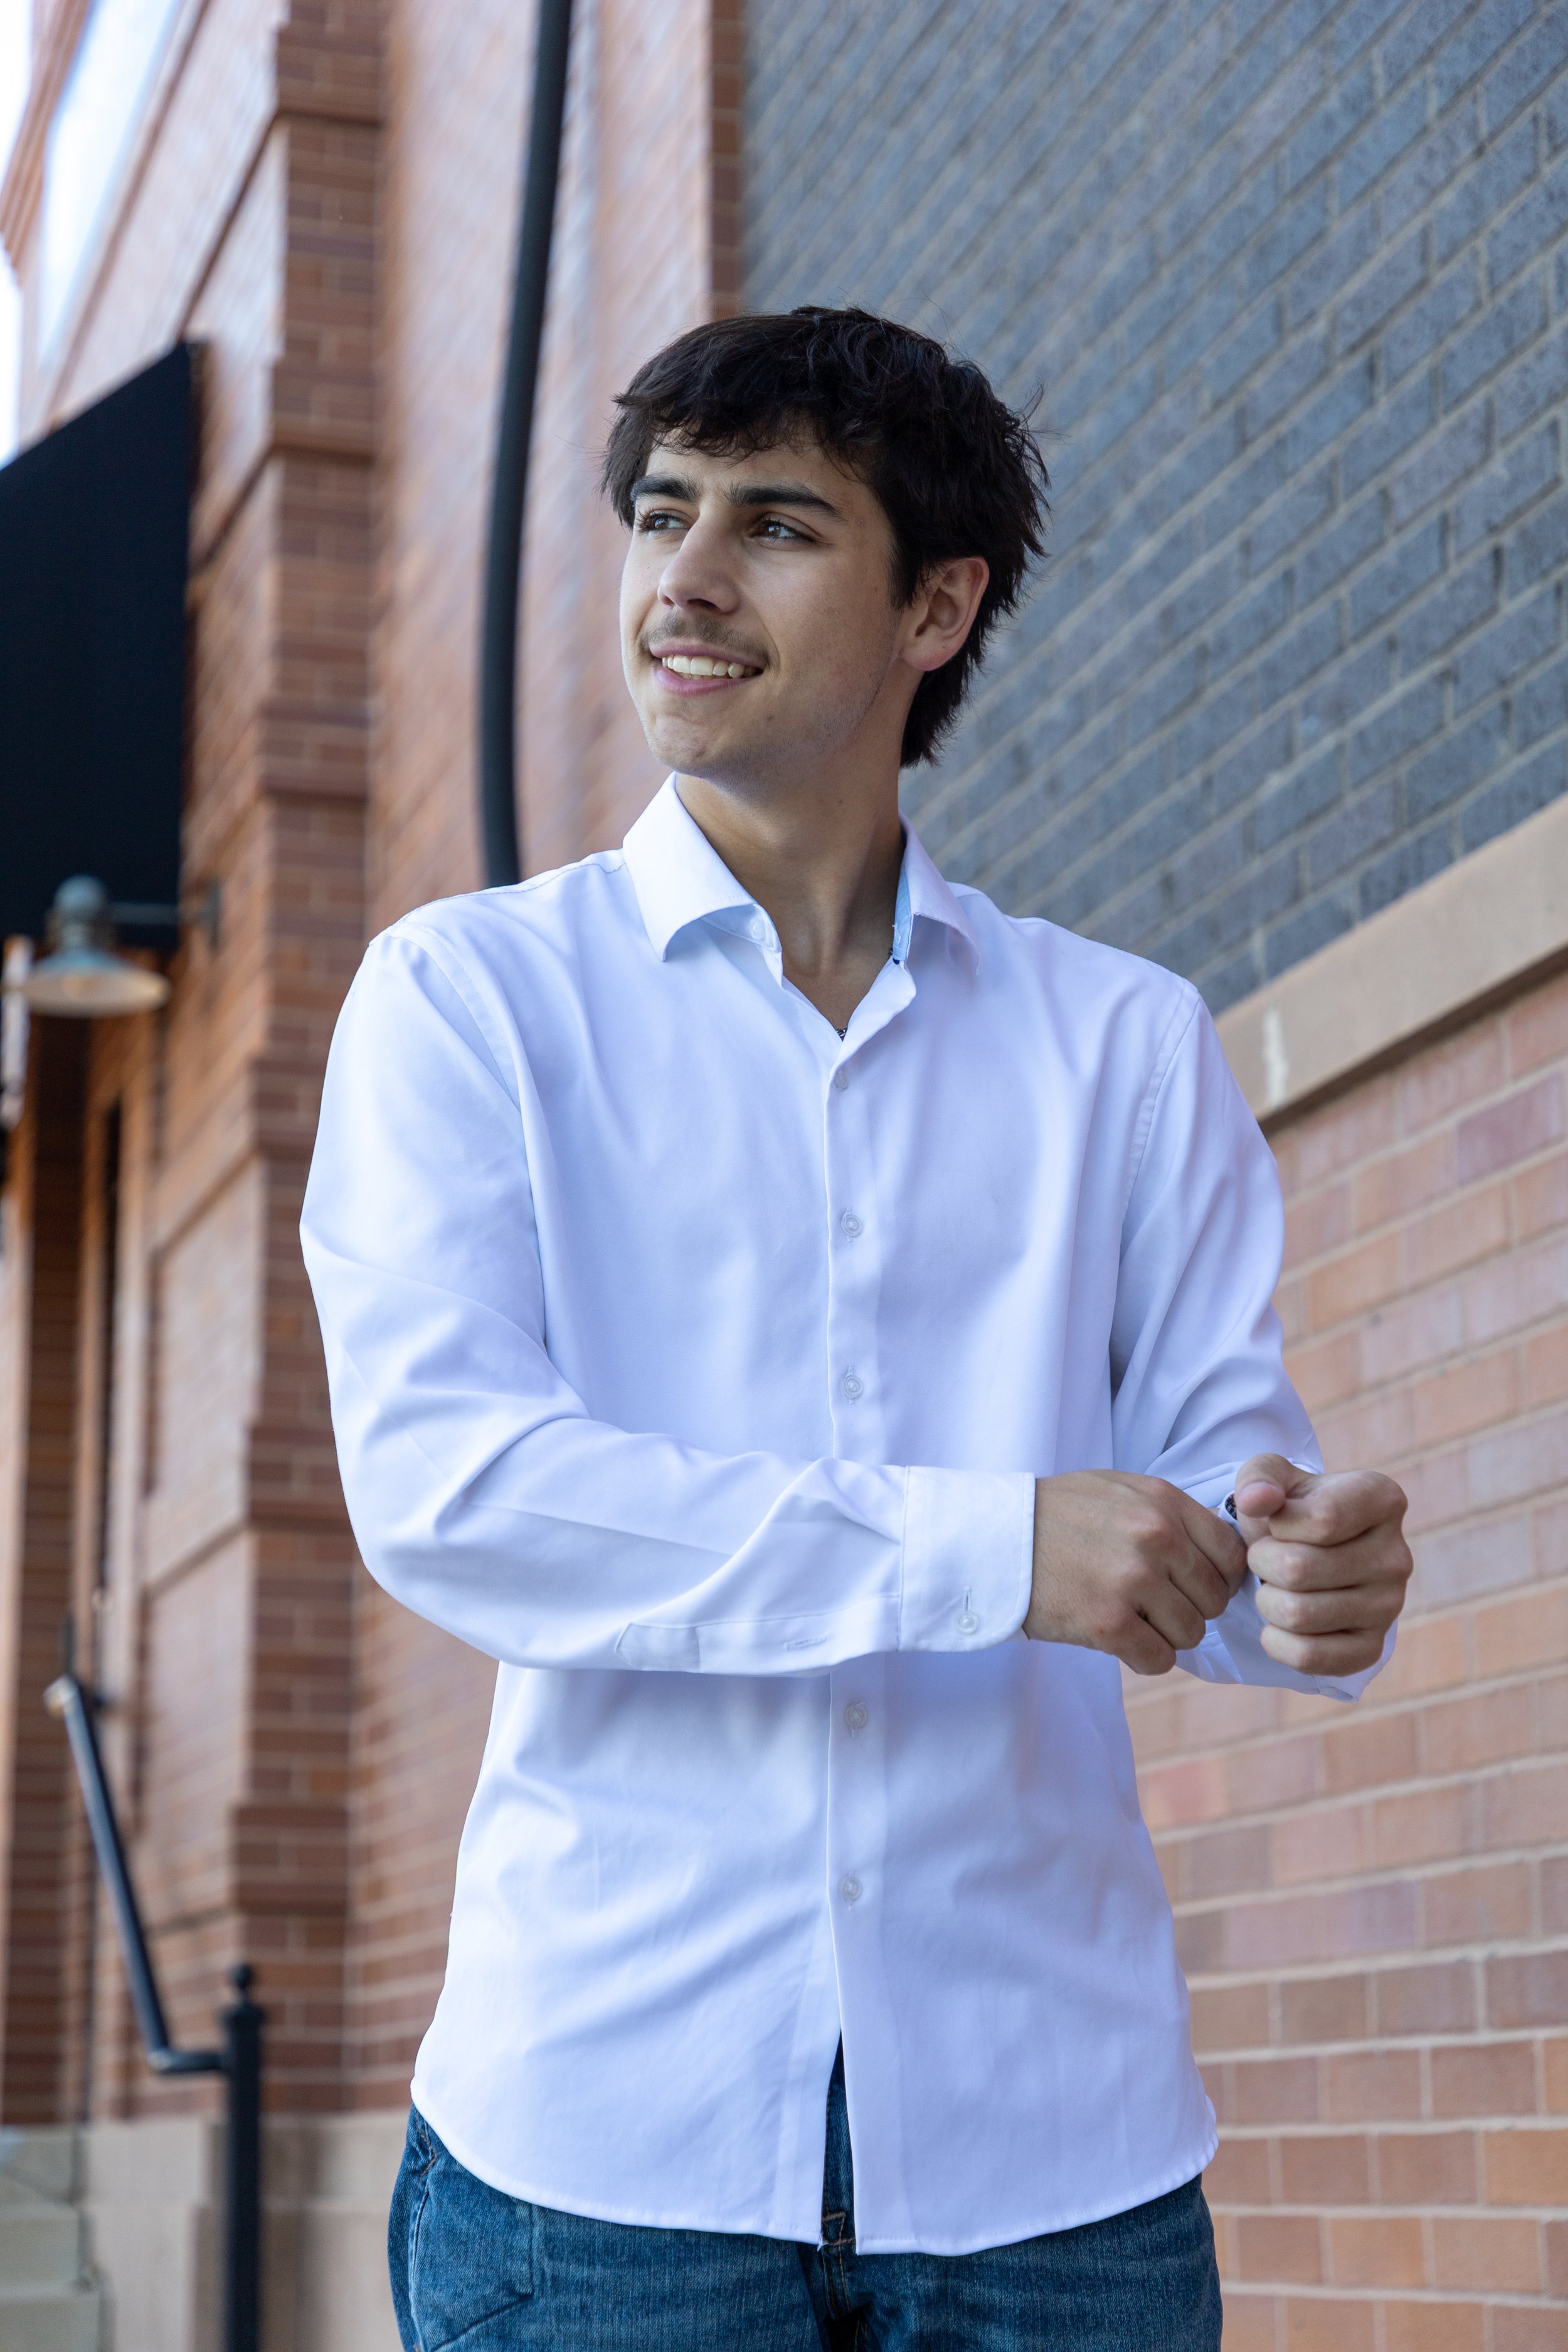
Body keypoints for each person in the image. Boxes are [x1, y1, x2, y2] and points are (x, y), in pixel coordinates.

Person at [301, 307, 1412, 2352]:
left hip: (1050, 2156)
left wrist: (1297, 1578)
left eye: (777, 525)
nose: (686, 579)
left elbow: (1205, 1501)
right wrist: (987, 1546)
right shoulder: (468, 1000)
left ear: (937, 607)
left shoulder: (1119, 1043)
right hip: (606, 2156)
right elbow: (459, 1495)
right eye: (662, 515)